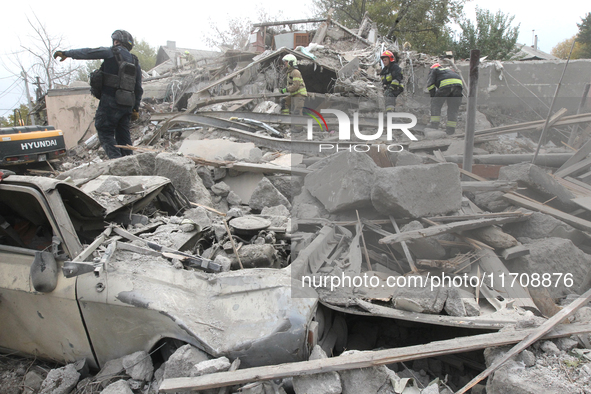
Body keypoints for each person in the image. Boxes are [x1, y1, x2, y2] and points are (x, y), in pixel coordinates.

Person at [54, 30, 143, 159]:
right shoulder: (135, 61)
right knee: (123, 134)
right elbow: (138, 88)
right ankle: (130, 161)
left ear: (116, 41)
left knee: (104, 130)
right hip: (127, 104)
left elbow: (88, 52)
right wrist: (135, 108)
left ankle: (116, 161)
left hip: (111, 101)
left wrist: (67, 53)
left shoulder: (111, 52)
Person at [426, 63, 463, 135]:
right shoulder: (450, 71)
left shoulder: (434, 70)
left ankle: (434, 125)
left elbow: (430, 85)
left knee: (436, 105)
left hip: (446, 86)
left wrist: (433, 97)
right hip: (458, 87)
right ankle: (451, 130)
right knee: (453, 108)